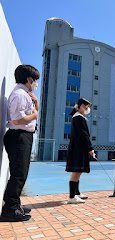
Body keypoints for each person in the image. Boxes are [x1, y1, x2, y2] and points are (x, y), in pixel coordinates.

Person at [1, 65, 40, 222]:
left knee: (20, 173)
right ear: (29, 79)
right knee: (19, 174)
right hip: (18, 136)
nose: (36, 83)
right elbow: (17, 119)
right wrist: (35, 113)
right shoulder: (19, 95)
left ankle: (15, 204)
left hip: (23, 136)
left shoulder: (25, 94)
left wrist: (36, 104)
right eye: (36, 80)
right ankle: (10, 209)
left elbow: (26, 115)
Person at [66, 98, 94, 204]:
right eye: (87, 106)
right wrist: (89, 148)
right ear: (82, 105)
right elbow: (84, 135)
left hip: (79, 148)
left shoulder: (79, 117)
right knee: (76, 171)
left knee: (79, 172)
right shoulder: (78, 118)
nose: (88, 109)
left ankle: (76, 193)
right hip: (78, 149)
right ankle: (72, 197)